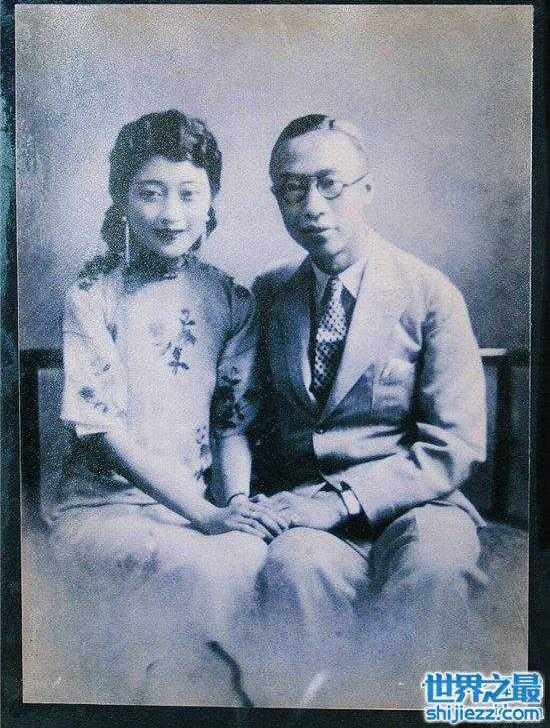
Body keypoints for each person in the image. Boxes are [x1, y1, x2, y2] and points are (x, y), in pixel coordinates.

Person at [235, 114, 488, 707]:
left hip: (422, 506)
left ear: (366, 189)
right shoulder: (268, 295)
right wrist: (248, 500)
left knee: (436, 566)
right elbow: (243, 418)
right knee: (294, 567)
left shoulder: (429, 293)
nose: (312, 207)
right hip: (306, 512)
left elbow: (454, 444)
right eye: (292, 190)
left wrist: (343, 500)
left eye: (330, 184)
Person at [48, 109, 284, 705]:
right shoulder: (93, 295)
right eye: (151, 193)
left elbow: (230, 423)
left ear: (211, 202)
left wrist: (235, 504)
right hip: (103, 509)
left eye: (188, 194)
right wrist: (204, 516)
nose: (171, 214)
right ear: (122, 201)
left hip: (197, 508)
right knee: (197, 565)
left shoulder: (230, 299)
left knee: (250, 552)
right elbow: (101, 433)